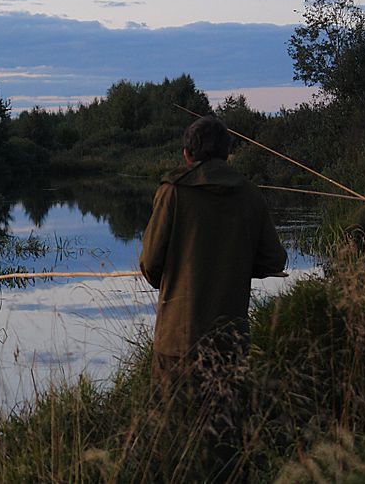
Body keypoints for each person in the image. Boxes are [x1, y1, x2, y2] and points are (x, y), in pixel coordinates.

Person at [140, 115, 287, 472]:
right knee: (223, 436)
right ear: (227, 153)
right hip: (229, 339)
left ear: (187, 154)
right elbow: (274, 259)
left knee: (172, 433)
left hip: (177, 340)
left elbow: (149, 265)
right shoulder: (249, 193)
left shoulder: (172, 191)